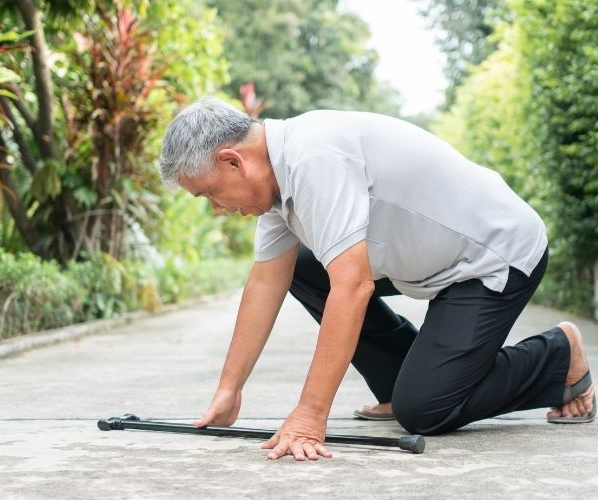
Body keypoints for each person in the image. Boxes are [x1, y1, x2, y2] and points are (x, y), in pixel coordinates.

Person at [158, 97, 595, 461]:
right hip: (433, 262)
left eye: (210, 193)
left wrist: (311, 415)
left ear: (233, 161)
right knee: (303, 268)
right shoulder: (277, 183)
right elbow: (264, 284)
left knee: (424, 411)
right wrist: (229, 389)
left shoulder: (314, 156)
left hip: (494, 258)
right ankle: (397, 380)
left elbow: (353, 285)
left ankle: (556, 356)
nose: (217, 207)